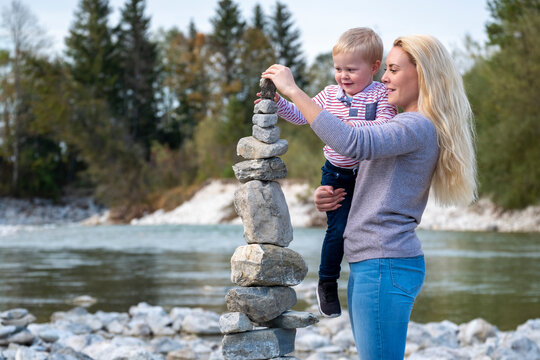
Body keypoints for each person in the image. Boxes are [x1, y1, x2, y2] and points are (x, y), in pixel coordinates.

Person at [261, 34, 477, 359]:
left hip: (383, 262)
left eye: (393, 69)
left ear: (424, 75)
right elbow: (372, 177)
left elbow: (352, 141)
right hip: (379, 261)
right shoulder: (409, 124)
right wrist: (330, 194)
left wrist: (292, 90)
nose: (384, 78)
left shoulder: (415, 126)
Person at [270, 28, 397, 318]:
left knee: (363, 230)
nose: (343, 75)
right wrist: (279, 105)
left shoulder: (380, 95)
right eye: (338, 68)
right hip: (337, 173)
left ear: (374, 67)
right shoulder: (329, 95)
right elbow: (303, 115)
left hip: (368, 173)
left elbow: (385, 128)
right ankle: (327, 282)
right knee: (337, 230)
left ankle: (367, 286)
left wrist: (343, 130)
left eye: (351, 69)